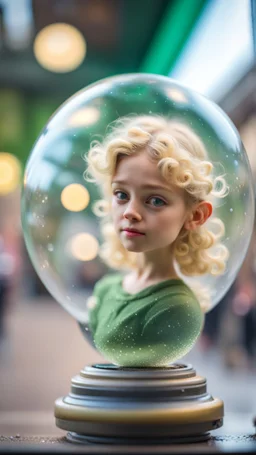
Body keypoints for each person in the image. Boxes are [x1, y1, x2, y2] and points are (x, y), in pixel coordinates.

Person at [83, 115, 229, 367]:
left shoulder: (177, 307)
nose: (130, 212)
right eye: (121, 194)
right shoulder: (106, 289)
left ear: (195, 215)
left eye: (155, 200)